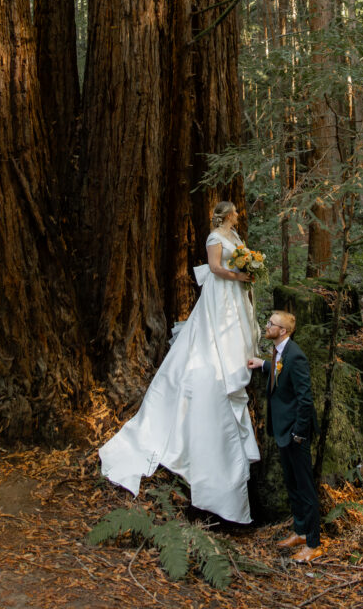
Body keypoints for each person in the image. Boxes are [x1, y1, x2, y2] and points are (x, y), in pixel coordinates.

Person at [99, 201, 260, 524]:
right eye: (234, 213)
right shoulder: (215, 237)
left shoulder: (235, 235)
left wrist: (249, 270)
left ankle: (241, 361)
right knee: (214, 333)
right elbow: (214, 269)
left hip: (236, 293)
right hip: (222, 291)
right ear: (226, 215)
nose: (238, 215)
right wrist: (237, 275)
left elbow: (239, 258)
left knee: (240, 328)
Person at [248, 310, 322, 563]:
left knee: (305, 488)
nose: (267, 326)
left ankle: (313, 543)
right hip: (283, 431)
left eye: (271, 323)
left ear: (283, 331)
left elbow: (305, 399)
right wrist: (264, 365)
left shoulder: (296, 355)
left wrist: (300, 434)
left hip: (295, 433)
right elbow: (282, 372)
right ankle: (300, 531)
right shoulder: (280, 352)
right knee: (292, 484)